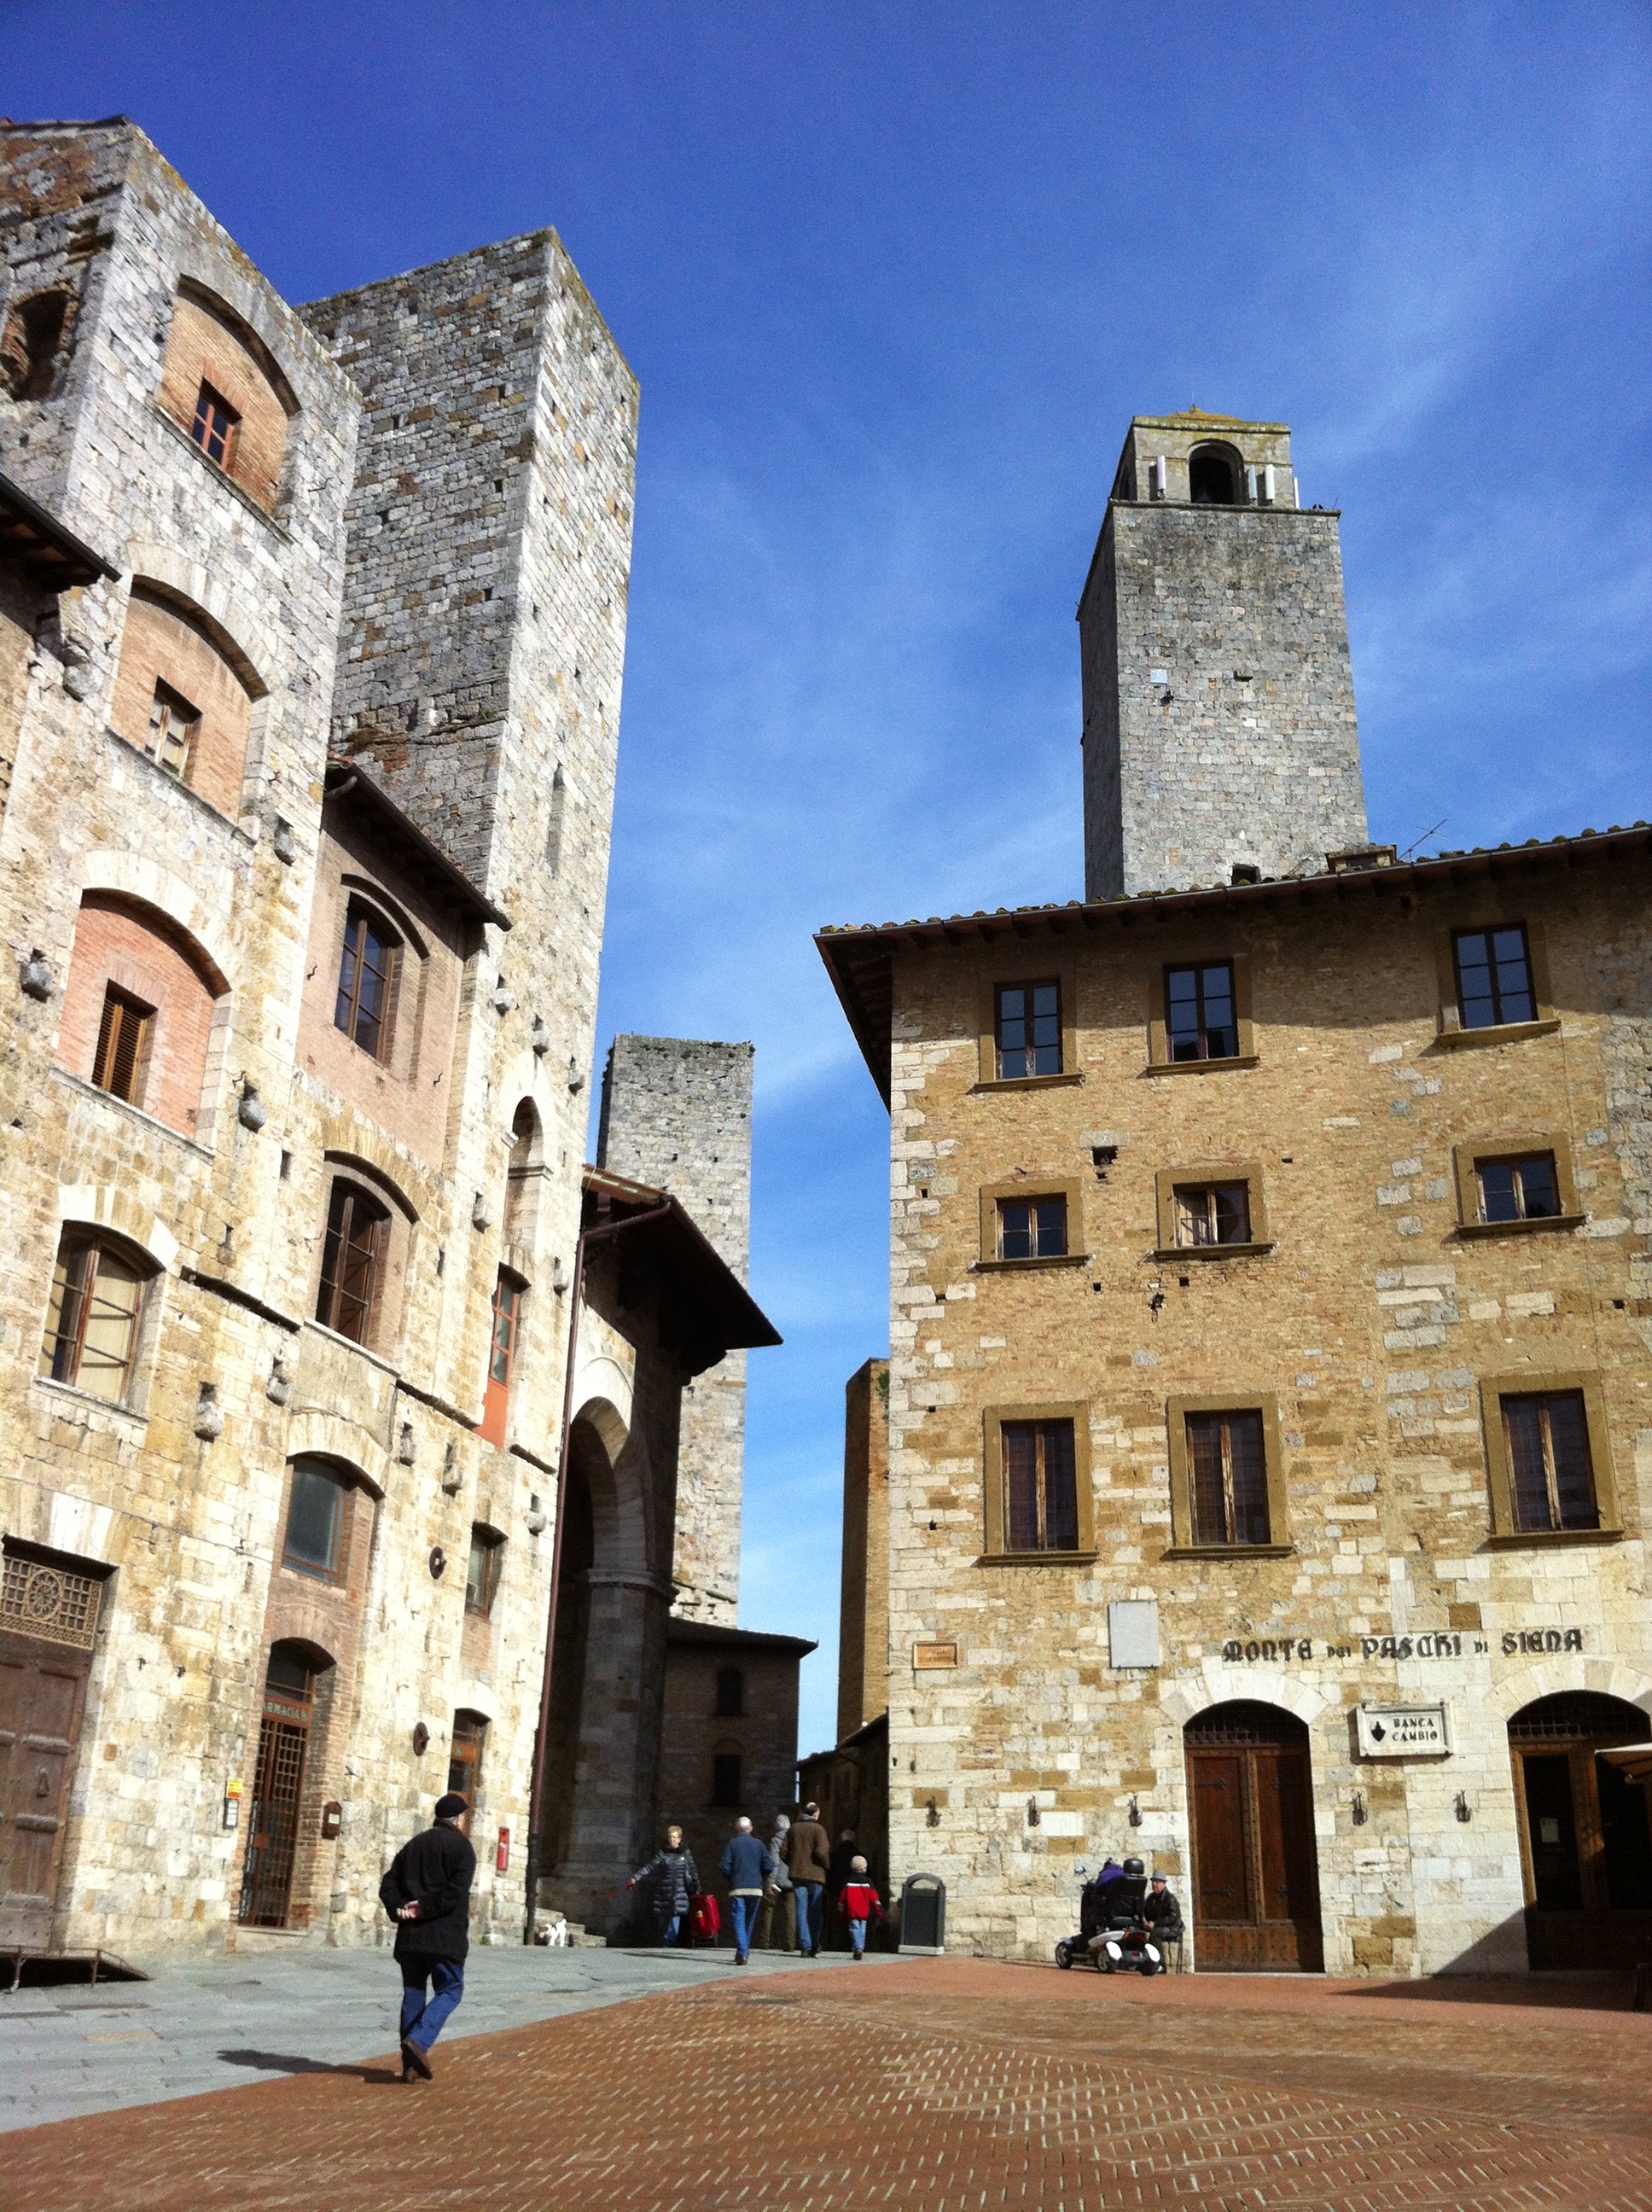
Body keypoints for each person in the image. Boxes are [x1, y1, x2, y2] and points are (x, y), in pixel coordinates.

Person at [378, 1790, 476, 2081]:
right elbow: (454, 1896)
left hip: (411, 1939)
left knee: (414, 1992)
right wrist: (422, 1908)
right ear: (458, 1819)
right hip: (443, 1938)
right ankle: (418, 2042)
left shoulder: (413, 1846)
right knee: (451, 1990)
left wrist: (400, 1909)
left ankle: (409, 2066)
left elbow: (388, 1885)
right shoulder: (462, 1849)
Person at [628, 1824, 699, 1947]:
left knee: (675, 1917)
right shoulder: (663, 1854)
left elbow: (693, 1872)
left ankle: (670, 1941)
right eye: (671, 1837)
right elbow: (650, 1867)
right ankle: (667, 1941)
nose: (673, 1840)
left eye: (675, 1837)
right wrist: (636, 1877)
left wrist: (697, 1887)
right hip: (664, 1892)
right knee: (666, 1919)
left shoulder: (685, 1855)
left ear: (680, 1839)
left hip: (679, 1892)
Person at [718, 1815, 775, 1964]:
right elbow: (769, 1866)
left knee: (738, 1920)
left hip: (738, 1888)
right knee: (748, 1922)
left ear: (737, 1829)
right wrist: (759, 1876)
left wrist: (732, 1878)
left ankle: (742, 1952)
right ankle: (743, 1951)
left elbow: (724, 1866)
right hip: (755, 1889)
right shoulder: (759, 1845)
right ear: (751, 1829)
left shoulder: (732, 1844)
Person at [782, 1800, 832, 1958]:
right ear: (815, 1814)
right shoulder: (819, 1830)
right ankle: (815, 1943)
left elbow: (783, 1852)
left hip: (797, 1874)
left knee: (801, 1911)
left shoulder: (793, 1829)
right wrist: (826, 1865)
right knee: (815, 1911)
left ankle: (804, 1945)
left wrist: (793, 1863)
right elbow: (821, 1852)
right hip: (816, 1875)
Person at [755, 1811, 796, 1953]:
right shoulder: (794, 1838)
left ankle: (764, 1942)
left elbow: (774, 1862)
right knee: (790, 1913)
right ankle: (790, 1944)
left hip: (777, 1880)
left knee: (768, 1909)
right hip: (791, 1879)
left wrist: (769, 1882)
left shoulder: (776, 1840)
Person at [838, 1854, 883, 1960]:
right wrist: (881, 1913)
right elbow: (875, 1900)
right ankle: (860, 1948)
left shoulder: (847, 1882)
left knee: (854, 1929)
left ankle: (857, 1948)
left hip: (852, 1911)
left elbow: (842, 1900)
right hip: (864, 1912)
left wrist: (841, 1912)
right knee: (862, 1930)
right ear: (865, 1869)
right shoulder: (869, 1883)